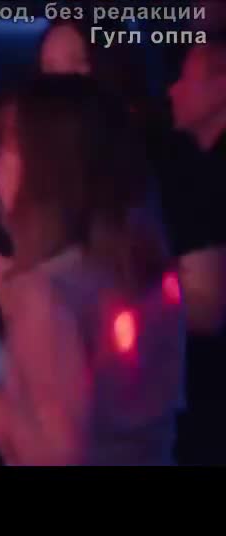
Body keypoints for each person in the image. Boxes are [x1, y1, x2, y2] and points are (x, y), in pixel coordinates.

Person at [0, 75, 184, 465]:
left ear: (46, 167)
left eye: (6, 148)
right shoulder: (151, 273)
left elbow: (55, 455)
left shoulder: (47, 292)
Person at [165, 40, 226, 465]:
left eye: (185, 79)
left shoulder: (212, 178)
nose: (172, 89)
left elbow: (209, 307)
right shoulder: (200, 166)